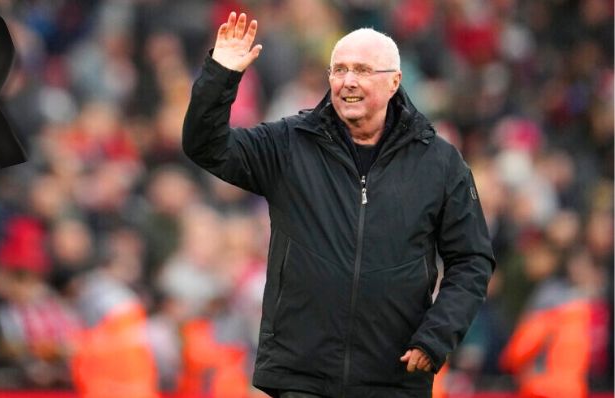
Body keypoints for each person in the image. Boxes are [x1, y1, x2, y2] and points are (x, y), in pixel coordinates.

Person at [182, 11, 495, 398]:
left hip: (394, 378)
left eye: (362, 70)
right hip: (302, 376)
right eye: (339, 70)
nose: (348, 81)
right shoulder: (289, 144)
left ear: (395, 82)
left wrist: (436, 337)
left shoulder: (440, 163)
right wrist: (220, 75)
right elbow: (204, 145)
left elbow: (472, 259)